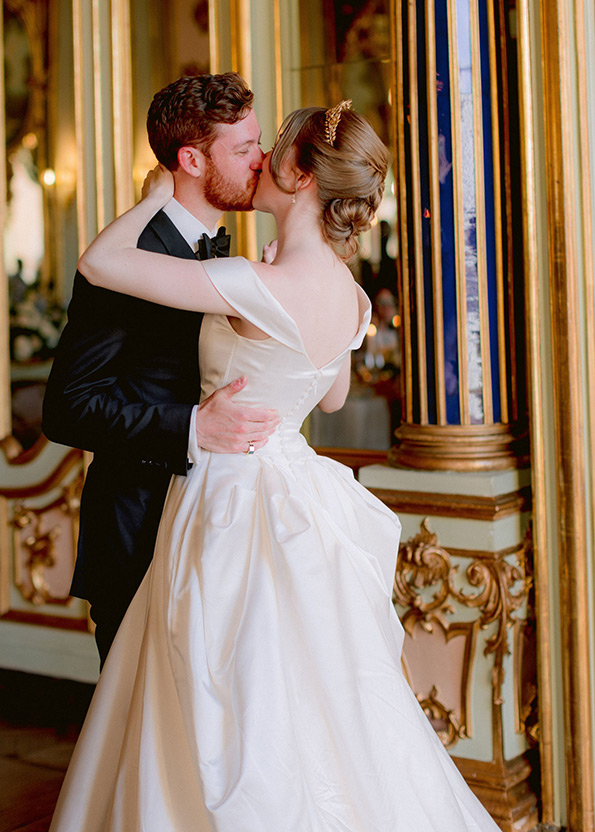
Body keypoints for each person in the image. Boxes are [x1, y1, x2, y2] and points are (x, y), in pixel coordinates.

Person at [49, 101, 501, 831]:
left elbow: (101, 263)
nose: (258, 162)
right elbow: (329, 392)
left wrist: (154, 198)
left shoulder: (251, 281)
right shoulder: (350, 298)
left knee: (214, 695)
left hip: (227, 493)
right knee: (308, 699)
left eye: (268, 150)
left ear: (297, 173)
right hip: (295, 488)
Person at [42, 73, 279, 665]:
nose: (261, 160)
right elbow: (66, 406)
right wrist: (191, 428)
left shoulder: (220, 249)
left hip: (208, 527)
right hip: (137, 533)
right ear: (192, 159)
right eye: (244, 148)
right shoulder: (126, 262)